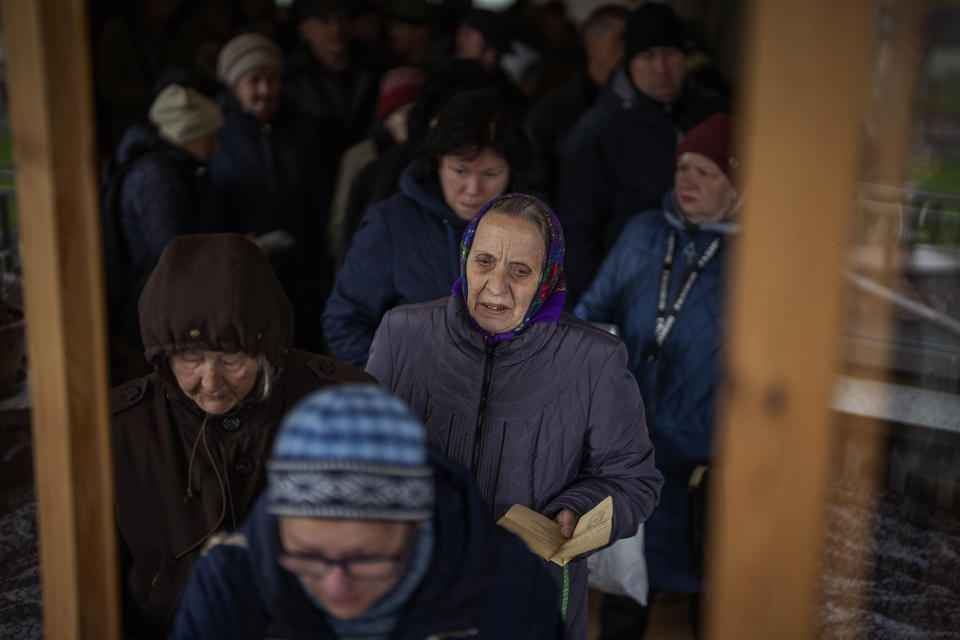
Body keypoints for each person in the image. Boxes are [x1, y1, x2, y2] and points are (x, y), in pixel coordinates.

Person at [365, 193, 664, 639]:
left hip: (529, 600)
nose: (496, 285)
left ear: (548, 276)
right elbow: (360, 452)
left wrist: (577, 509)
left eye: (520, 271)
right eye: (484, 261)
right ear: (464, 258)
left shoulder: (594, 360)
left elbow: (634, 481)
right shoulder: (402, 333)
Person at [111, 233, 373, 639]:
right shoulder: (122, 428)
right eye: (192, 359)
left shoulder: (347, 405)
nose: (210, 381)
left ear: (268, 349)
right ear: (164, 356)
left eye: (232, 359)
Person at [169, 384, 564, 639]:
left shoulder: (508, 583)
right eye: (307, 554)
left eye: (367, 557)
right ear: (280, 524)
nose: (337, 588)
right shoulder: (229, 582)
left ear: (417, 524)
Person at [574, 114, 740, 637]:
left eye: (706, 172)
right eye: (683, 167)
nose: (687, 181)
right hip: (634, 447)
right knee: (624, 592)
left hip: (708, 460)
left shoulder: (761, 254)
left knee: (709, 599)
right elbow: (590, 313)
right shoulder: (644, 231)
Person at [323, 86, 532, 367]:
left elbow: (555, 318)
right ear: (438, 164)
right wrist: (399, 381)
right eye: (460, 171)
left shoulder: (532, 229)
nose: (473, 188)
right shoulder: (391, 224)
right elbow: (344, 322)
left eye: (490, 174)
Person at [556, 3, 727, 304]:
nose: (661, 67)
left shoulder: (716, 117)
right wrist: (600, 309)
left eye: (671, 53)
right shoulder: (596, 132)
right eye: (648, 55)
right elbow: (577, 234)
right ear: (628, 60)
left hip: (710, 289)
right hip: (631, 295)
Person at [209, 32, 338, 352]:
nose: (265, 90)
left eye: (272, 79)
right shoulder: (216, 130)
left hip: (297, 265)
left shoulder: (301, 126)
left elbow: (318, 195)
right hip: (239, 268)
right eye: (254, 80)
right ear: (234, 84)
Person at [106, 83, 226, 352]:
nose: (216, 144)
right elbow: (174, 254)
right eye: (210, 134)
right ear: (189, 134)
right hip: (158, 313)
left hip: (162, 307)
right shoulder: (157, 180)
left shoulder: (175, 171)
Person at [525, 4, 628, 202]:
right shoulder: (552, 109)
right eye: (622, 38)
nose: (629, 49)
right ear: (591, 42)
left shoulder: (644, 107)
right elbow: (534, 181)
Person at [327, 65, 425, 265]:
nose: (408, 120)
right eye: (400, 112)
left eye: (414, 111)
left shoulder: (428, 158)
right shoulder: (360, 157)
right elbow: (340, 224)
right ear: (386, 117)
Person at [283, 0, 380, 149]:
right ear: (304, 30)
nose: (336, 29)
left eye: (342, 18)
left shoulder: (374, 71)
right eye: (325, 21)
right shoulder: (291, 81)